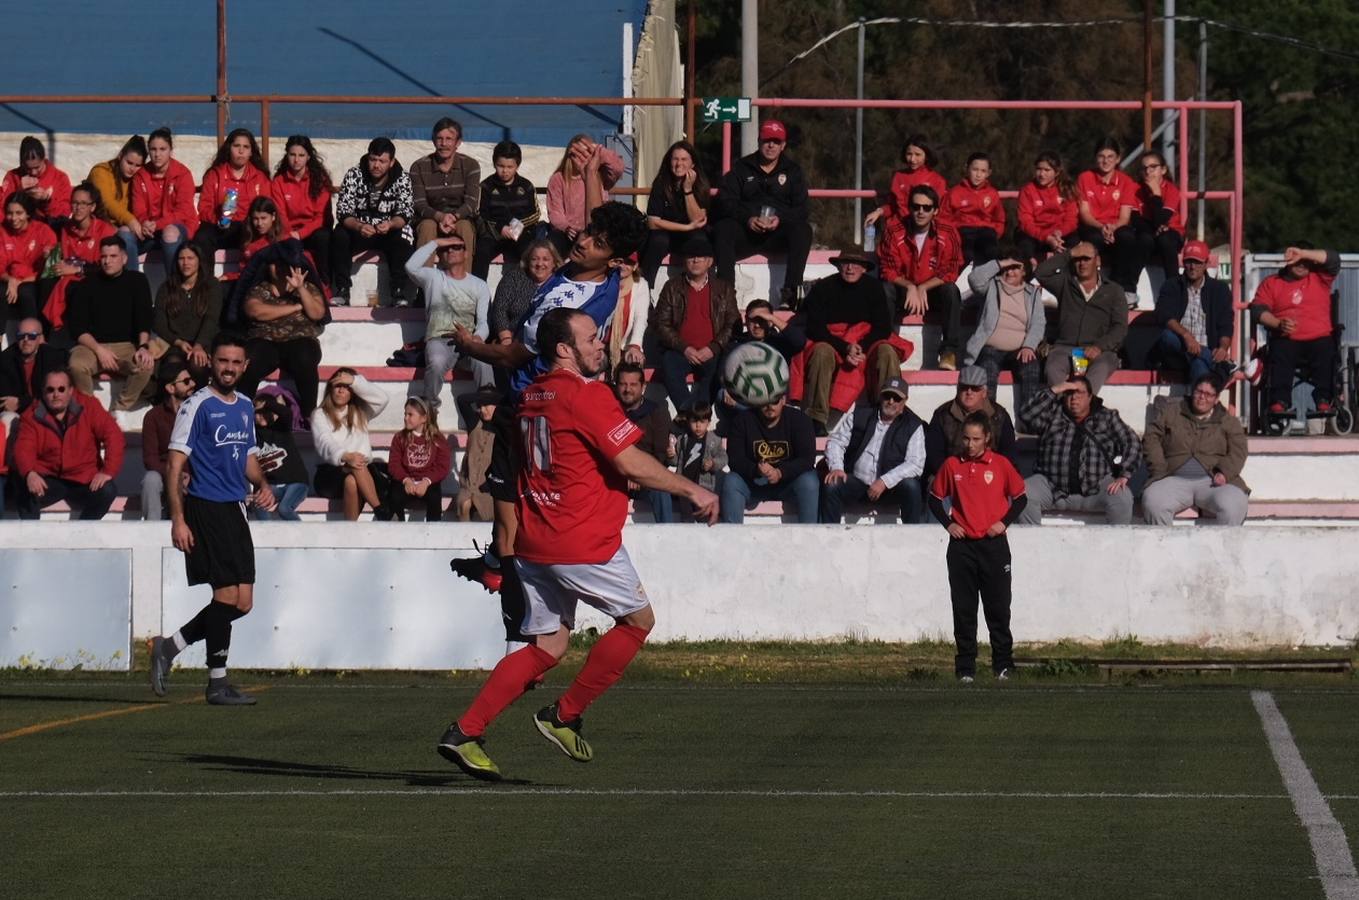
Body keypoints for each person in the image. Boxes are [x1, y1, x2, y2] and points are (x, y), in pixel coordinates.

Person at [434, 306, 719, 781]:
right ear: (564, 349)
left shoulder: (529, 396)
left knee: (548, 645)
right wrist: (692, 488)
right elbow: (629, 462)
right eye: (590, 338)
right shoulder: (587, 395)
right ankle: (563, 715)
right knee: (637, 622)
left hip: (536, 540)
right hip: (582, 540)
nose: (599, 344)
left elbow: (570, 456)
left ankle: (466, 731)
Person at [447, 199, 649, 614]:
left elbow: (512, 357)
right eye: (590, 232)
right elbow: (602, 223)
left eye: (598, 242)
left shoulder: (568, 309)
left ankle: (514, 615)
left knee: (509, 519)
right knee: (516, 509)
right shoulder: (597, 274)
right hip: (541, 405)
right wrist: (593, 173)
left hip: (527, 407)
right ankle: (494, 564)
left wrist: (471, 346)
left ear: (613, 257)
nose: (585, 242)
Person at [147, 332, 277, 706]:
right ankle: (217, 683)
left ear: (245, 366)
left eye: (236, 362)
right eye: (223, 361)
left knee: (244, 602)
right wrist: (178, 519)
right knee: (225, 595)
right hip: (206, 508)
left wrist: (263, 484)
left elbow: (249, 456)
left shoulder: (244, 405)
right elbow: (174, 464)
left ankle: (169, 646)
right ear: (212, 363)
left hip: (236, 507)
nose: (229, 368)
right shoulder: (197, 405)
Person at [928, 410, 1028, 682]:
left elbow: (1020, 499)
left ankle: (1003, 666)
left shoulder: (1000, 465)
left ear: (987, 439)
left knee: (998, 608)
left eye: (975, 439)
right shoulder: (951, 465)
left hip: (994, 545)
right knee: (963, 609)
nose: (969, 444)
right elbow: (935, 499)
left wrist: (1003, 522)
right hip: (962, 548)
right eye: (966, 438)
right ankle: (965, 669)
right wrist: (949, 525)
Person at [792, 245, 906, 435]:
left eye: (855, 264)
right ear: (839, 266)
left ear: (864, 268)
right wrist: (845, 347)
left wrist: (860, 347)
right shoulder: (823, 287)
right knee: (821, 352)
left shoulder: (874, 288)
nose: (850, 268)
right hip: (833, 341)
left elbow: (883, 327)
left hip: (865, 341)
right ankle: (816, 417)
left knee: (887, 352)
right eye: (846, 263)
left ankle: (889, 413)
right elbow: (815, 328)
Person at [1017, 378, 1142, 525]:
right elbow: (1026, 414)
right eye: (1069, 393)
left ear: (1090, 397)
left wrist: (1124, 474)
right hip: (1052, 486)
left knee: (1123, 498)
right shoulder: (1053, 414)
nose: (1074, 397)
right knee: (1022, 493)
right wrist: (1054, 390)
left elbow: (1131, 441)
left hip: (1097, 487)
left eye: (1080, 393)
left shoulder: (1107, 417)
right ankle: (1033, 544)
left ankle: (1116, 546)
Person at [714, 120, 812, 308]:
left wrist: (780, 219)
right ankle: (726, 295)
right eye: (767, 140)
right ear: (759, 141)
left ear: (783, 145)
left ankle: (790, 293)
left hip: (778, 234)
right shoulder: (742, 168)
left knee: (803, 230)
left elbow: (802, 209)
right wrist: (748, 219)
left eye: (776, 141)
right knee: (723, 228)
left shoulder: (793, 171)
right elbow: (725, 202)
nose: (771, 145)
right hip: (747, 233)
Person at [65, 236, 161, 411]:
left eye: (113, 256)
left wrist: (143, 346)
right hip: (92, 346)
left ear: (124, 258)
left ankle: (119, 410)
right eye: (103, 257)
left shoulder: (137, 281)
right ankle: (89, 412)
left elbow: (144, 318)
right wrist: (99, 350)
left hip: (126, 346)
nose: (107, 261)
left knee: (145, 366)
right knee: (76, 365)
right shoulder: (86, 284)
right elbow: (77, 328)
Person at [13, 368, 123, 519]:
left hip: (84, 478)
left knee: (108, 491)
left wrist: (107, 471)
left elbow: (114, 435)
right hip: (49, 478)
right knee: (24, 489)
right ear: (43, 392)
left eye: (61, 389)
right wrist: (29, 473)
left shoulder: (89, 407)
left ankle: (82, 534)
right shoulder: (31, 416)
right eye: (50, 390)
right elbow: (23, 449)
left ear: (71, 390)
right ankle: (32, 539)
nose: (56, 394)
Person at [234, 243, 328, 417]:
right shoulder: (259, 289)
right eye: (275, 265)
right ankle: (241, 413)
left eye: (284, 265)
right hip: (265, 340)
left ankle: (310, 415)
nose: (279, 269)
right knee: (249, 359)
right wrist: (295, 308)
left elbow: (317, 313)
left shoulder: (308, 289)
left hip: (299, 341)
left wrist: (300, 289)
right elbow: (256, 311)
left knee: (305, 356)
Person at [1142, 375, 1250, 525]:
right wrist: (1159, 468)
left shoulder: (1227, 420)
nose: (1202, 397)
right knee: (1153, 501)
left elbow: (1239, 449)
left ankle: (1224, 548)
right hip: (1173, 478)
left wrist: (1224, 472)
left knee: (1234, 504)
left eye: (1208, 394)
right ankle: (1165, 547)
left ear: (1216, 398)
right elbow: (1151, 437)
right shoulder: (1172, 411)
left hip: (1213, 481)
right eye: (1199, 392)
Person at [877, 184, 965, 370]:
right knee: (885, 289)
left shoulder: (948, 232)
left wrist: (923, 287)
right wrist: (910, 286)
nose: (921, 212)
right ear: (909, 208)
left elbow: (951, 269)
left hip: (932, 292)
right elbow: (887, 268)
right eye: (916, 207)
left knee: (951, 290)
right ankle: (886, 345)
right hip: (904, 291)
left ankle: (948, 352)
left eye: (927, 208)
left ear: (936, 210)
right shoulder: (894, 230)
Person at [820, 375, 926, 524]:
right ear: (880, 396)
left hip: (890, 489)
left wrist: (884, 481)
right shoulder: (860, 415)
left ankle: (912, 538)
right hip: (858, 483)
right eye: (887, 396)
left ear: (904, 402)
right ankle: (829, 536)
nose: (891, 401)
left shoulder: (913, 425)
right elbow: (836, 442)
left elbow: (915, 464)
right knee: (833, 484)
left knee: (911, 486)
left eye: (896, 398)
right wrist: (837, 467)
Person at [653, 234, 739, 412]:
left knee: (718, 372)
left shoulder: (724, 288)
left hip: (712, 351)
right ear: (685, 261)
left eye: (701, 257)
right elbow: (661, 323)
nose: (695, 260)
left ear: (710, 262)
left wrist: (713, 348)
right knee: (669, 363)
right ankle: (692, 415)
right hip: (681, 352)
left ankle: (695, 415)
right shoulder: (672, 287)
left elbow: (732, 322)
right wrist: (684, 348)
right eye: (691, 256)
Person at [1251, 245, 1341, 416]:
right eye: (1297, 260)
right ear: (1288, 261)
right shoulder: (1272, 283)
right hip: (1286, 337)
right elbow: (1257, 311)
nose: (1301, 265)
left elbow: (1334, 259)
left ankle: (1324, 399)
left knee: (1326, 351)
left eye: (1305, 262)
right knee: (1280, 351)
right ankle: (1279, 401)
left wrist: (1304, 253)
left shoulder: (1320, 278)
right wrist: (1277, 323)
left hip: (1319, 337)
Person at [405, 234, 492, 407]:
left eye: (457, 247)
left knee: (484, 362)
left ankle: (488, 407)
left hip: (467, 340)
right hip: (439, 338)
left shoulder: (479, 285)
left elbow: (484, 322)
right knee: (436, 362)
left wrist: (477, 338)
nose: (450, 250)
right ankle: (430, 409)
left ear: (466, 254)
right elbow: (410, 266)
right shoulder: (433, 277)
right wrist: (435, 242)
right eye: (446, 248)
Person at [331, 137, 415, 305]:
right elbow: (343, 211)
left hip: (388, 231)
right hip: (359, 230)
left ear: (391, 162)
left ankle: (398, 292)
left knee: (404, 236)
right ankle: (342, 290)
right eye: (373, 160)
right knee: (339, 234)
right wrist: (359, 225)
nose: (376, 165)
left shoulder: (403, 178)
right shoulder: (354, 174)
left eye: (382, 161)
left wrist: (391, 224)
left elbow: (405, 212)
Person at [1035, 244, 1127, 394]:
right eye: (1077, 259)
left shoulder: (1114, 290)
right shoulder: (1065, 283)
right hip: (1066, 349)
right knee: (1052, 369)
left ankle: (1083, 408)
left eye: (1086, 258)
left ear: (1097, 261)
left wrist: (1100, 346)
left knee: (1100, 369)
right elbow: (1041, 273)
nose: (1082, 263)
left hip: (1100, 352)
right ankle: (1065, 409)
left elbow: (1120, 327)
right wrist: (1069, 253)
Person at [720, 391, 818, 524]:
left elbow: (807, 459)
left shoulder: (799, 420)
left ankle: (809, 536)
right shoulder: (742, 421)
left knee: (810, 481)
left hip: (788, 483)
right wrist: (756, 469)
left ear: (783, 400)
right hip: (753, 483)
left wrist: (780, 472)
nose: (770, 406)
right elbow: (735, 460)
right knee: (731, 481)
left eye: (775, 400)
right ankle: (732, 538)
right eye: (765, 401)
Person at [964, 256, 1045, 413]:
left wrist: (1029, 346)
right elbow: (974, 279)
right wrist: (1000, 263)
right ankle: (987, 416)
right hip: (990, 347)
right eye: (1008, 267)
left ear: (1024, 271)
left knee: (1031, 367)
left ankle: (1029, 419)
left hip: (1019, 349)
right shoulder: (992, 286)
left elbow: (1038, 323)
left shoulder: (1033, 293)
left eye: (1015, 267)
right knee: (988, 368)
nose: (1010, 271)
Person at [311, 367, 390, 521]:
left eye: (346, 388)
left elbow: (383, 398)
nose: (341, 391)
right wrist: (346, 456)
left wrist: (354, 381)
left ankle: (350, 529)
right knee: (355, 465)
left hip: (362, 473)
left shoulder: (361, 411)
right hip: (330, 474)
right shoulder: (319, 414)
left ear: (353, 392)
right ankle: (381, 510)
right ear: (330, 389)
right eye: (337, 386)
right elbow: (324, 441)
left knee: (352, 480)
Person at [38, 181, 116, 336]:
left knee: (76, 287)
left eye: (83, 204)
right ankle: (43, 336)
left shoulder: (105, 230)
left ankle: (76, 335)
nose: (78, 208)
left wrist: (78, 269)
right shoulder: (66, 227)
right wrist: (50, 252)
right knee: (46, 281)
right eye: (74, 203)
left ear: (92, 207)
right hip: (68, 274)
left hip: (96, 276)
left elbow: (108, 265)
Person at [1152, 239, 1233, 383]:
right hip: (1178, 351)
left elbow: (1226, 324)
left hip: (1201, 353)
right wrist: (1186, 336)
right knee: (1167, 337)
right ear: (1183, 262)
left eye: (1197, 262)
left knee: (1198, 363)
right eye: (1189, 261)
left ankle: (1198, 401)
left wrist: (1222, 347)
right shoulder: (1172, 285)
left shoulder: (1219, 290)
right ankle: (1214, 361)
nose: (1192, 267)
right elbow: (1163, 315)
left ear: (1206, 263)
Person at [923, 365, 1019, 482]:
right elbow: (934, 455)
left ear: (984, 392)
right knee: (934, 484)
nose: (969, 392)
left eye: (975, 388)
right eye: (964, 387)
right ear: (958, 389)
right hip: (951, 476)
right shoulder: (942, 414)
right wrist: (956, 476)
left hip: (990, 477)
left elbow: (1008, 454)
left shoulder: (999, 415)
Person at [1076, 136, 1140, 304]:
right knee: (1093, 239)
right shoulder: (1085, 178)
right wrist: (1102, 227)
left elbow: (1125, 217)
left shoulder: (1125, 181)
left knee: (1127, 238)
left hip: (1116, 225)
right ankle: (1090, 286)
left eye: (1110, 156)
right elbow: (1084, 213)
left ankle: (1121, 288)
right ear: (1096, 157)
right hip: (1093, 225)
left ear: (1118, 159)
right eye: (1101, 156)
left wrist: (1112, 228)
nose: (1105, 161)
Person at [126, 127, 198, 271]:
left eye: (162, 149)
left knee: (169, 233)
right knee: (123, 233)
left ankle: (174, 288)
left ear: (170, 151)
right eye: (153, 149)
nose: (157, 154)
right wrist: (144, 222)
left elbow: (182, 212)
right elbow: (138, 208)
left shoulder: (182, 174)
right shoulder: (141, 175)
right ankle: (132, 284)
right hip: (149, 231)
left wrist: (157, 224)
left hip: (177, 228)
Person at [614, 361, 676, 523]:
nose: (628, 389)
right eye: (623, 384)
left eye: (633, 384)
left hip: (646, 477)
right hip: (615, 476)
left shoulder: (657, 412)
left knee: (661, 490)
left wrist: (637, 476)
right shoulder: (609, 412)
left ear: (643, 386)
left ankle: (667, 536)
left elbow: (660, 455)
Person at [641, 140, 711, 285]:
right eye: (675, 159)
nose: (679, 164)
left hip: (690, 234)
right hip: (665, 232)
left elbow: (698, 219)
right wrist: (686, 227)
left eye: (684, 159)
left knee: (700, 240)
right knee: (658, 241)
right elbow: (653, 222)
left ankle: (699, 287)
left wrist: (688, 190)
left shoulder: (700, 184)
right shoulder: (661, 183)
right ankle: (646, 288)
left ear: (693, 164)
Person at [410, 117, 480, 259]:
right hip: (430, 218)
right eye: (439, 139)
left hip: (459, 218)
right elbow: (419, 203)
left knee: (465, 227)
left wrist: (453, 217)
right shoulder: (419, 167)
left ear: (458, 142)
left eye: (449, 139)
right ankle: (423, 279)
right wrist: (441, 217)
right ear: (433, 140)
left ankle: (462, 279)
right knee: (427, 227)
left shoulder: (471, 166)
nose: (444, 144)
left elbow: (471, 203)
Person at [195, 129, 271, 257]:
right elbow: (203, 208)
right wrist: (219, 218)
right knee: (202, 238)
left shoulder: (260, 178)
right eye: (236, 146)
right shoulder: (214, 175)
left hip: (248, 228)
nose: (241, 151)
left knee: (257, 239)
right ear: (229, 148)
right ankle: (206, 277)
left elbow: (267, 208)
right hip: (219, 227)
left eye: (245, 147)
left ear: (251, 152)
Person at [545, 134, 624, 258]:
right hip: (568, 233)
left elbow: (618, 168)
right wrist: (566, 227)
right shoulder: (558, 179)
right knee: (550, 245)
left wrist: (599, 151)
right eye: (578, 153)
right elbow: (555, 212)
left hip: (596, 231)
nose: (582, 157)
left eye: (586, 153)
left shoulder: (599, 175)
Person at [271, 135, 334, 289]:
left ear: (308, 157)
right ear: (287, 156)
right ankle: (288, 286)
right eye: (292, 155)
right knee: (285, 244)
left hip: (313, 231)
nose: (296, 160)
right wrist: (291, 233)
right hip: (289, 231)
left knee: (323, 238)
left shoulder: (320, 180)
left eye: (301, 155)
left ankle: (325, 282)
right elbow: (280, 214)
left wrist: (301, 234)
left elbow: (321, 216)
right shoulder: (279, 182)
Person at [472, 140, 541, 280]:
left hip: (520, 233)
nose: (505, 171)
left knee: (529, 253)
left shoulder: (526, 186)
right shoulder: (486, 186)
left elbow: (535, 214)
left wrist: (516, 226)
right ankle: (479, 293)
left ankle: (528, 291)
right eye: (500, 166)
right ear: (494, 164)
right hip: (493, 235)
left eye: (510, 167)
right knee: (481, 251)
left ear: (517, 166)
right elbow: (481, 213)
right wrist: (500, 227)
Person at [141, 357, 196, 520]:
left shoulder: (199, 413)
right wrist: (174, 474)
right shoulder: (153, 416)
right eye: (186, 381)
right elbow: (150, 459)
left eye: (192, 379)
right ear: (170, 388)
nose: (192, 384)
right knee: (150, 479)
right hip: (166, 474)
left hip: (194, 476)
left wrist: (189, 475)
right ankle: (153, 532)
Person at [153, 242, 222, 372]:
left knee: (198, 365)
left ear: (199, 260)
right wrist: (178, 342)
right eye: (181, 258)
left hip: (204, 342)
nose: (185, 263)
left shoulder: (211, 285)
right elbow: (159, 323)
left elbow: (211, 318)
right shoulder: (167, 287)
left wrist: (199, 345)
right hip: (175, 343)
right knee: (172, 366)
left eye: (190, 258)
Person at [384, 396, 451, 522]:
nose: (406, 418)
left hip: (427, 482)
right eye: (405, 414)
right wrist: (406, 480)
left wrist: (426, 482)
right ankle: (397, 528)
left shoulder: (438, 439)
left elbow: (442, 466)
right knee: (394, 496)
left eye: (410, 415)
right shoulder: (400, 438)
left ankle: (434, 531)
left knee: (435, 497)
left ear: (424, 418)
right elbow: (394, 464)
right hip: (406, 480)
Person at [863, 133, 948, 232]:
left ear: (927, 156)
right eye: (909, 154)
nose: (912, 159)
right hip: (900, 229)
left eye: (917, 155)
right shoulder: (899, 176)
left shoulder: (937, 180)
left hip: (924, 231)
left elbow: (939, 211)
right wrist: (878, 212)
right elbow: (893, 206)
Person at [487, 240, 560, 348]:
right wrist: (506, 339)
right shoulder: (515, 277)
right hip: (512, 340)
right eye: (534, 259)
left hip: (548, 345)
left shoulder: (560, 283)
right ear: (527, 260)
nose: (539, 264)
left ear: (554, 262)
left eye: (546, 259)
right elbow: (500, 309)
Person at [2, 192, 58, 327]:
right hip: (11, 278)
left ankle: (35, 336)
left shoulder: (43, 231)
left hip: (35, 280)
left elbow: (51, 265)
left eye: (19, 213)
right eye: (10, 213)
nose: (14, 218)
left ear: (28, 214)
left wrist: (20, 281)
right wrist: (11, 280)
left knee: (26, 293)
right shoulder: (2, 231)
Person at [252, 391, 309, 521]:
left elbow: (286, 413)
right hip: (273, 485)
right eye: (258, 413)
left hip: (296, 483)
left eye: (265, 412)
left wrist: (267, 404)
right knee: (259, 503)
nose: (261, 416)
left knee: (284, 508)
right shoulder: (253, 435)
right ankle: (268, 537)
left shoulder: (281, 428)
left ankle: (304, 538)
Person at [0, 316, 67, 427]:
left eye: (32, 336)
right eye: (21, 336)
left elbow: (53, 395)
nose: (26, 340)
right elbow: (6, 401)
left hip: (46, 412)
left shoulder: (52, 357)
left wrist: (21, 402)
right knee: (7, 419)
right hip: (18, 415)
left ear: (40, 339)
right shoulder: (5, 360)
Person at [1131, 151, 1185, 288]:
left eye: (1153, 167)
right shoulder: (1136, 190)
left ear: (1163, 170)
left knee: (1165, 239)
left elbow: (1161, 219)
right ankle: (1130, 288)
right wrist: (1156, 228)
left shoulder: (1171, 190)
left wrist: (1156, 194)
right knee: (1143, 240)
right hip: (1149, 234)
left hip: (1171, 234)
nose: (1148, 171)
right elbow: (1136, 220)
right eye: (1144, 168)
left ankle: (1174, 288)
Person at [941, 152, 1005, 266]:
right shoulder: (955, 192)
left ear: (989, 173)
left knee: (992, 252)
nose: (978, 175)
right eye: (975, 169)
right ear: (967, 168)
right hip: (963, 230)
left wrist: (996, 233)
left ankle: (992, 280)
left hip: (986, 231)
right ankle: (958, 280)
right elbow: (944, 217)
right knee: (966, 254)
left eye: (983, 171)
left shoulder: (992, 193)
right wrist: (952, 235)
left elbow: (999, 219)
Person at [1016, 151, 1079, 265]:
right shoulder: (1028, 190)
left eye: (1047, 170)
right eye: (1039, 169)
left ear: (1057, 172)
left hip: (1059, 234)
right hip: (1036, 234)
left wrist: (1059, 232)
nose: (1041, 174)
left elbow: (1071, 219)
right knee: (1024, 242)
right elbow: (1025, 221)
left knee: (1075, 242)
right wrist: (1046, 237)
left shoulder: (1066, 189)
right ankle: (1029, 274)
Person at [673, 401, 726, 521]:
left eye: (702, 422)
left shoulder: (714, 441)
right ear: (688, 421)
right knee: (686, 517)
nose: (698, 426)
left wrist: (713, 463)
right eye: (694, 421)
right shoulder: (683, 440)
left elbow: (724, 458)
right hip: (684, 486)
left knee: (703, 515)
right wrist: (671, 455)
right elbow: (677, 461)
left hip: (704, 487)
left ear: (708, 422)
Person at [2, 136, 72, 224]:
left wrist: (46, 201)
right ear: (22, 163)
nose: (33, 172)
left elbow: (64, 213)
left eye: (37, 167)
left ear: (43, 159)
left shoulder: (60, 178)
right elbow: (2, 209)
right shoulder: (12, 177)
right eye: (28, 168)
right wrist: (20, 193)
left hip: (48, 229)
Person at [87, 135, 146, 235]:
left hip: (125, 225)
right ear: (120, 156)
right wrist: (130, 220)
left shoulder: (139, 177)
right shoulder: (101, 172)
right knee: (125, 235)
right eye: (129, 163)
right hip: (98, 224)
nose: (132, 168)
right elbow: (106, 203)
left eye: (137, 165)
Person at [457, 385, 499, 522]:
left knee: (490, 513)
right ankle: (464, 539)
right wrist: (483, 398)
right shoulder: (474, 422)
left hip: (489, 485)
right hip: (470, 484)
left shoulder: (502, 426)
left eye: (487, 405)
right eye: (480, 406)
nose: (482, 410)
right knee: (464, 504)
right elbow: (461, 400)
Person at [605, 251, 649, 371]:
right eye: (619, 261)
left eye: (628, 263)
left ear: (635, 266)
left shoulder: (640, 284)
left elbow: (641, 318)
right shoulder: (603, 280)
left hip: (624, 345)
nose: (622, 266)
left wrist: (634, 346)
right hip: (600, 343)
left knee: (634, 362)